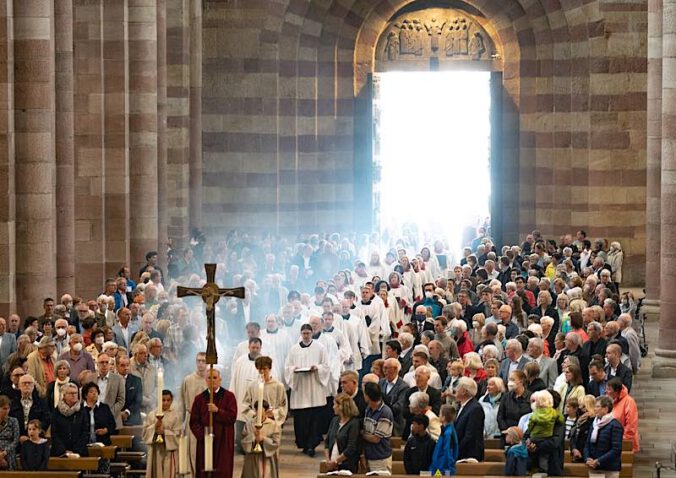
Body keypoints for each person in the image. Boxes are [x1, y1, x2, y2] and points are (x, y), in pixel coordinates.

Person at [284, 323, 330, 457]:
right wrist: (294, 369)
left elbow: (326, 366)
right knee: (301, 421)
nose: (305, 336)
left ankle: (312, 445)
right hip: (300, 388)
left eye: (308, 333)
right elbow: (287, 367)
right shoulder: (293, 349)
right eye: (303, 333)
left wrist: (318, 368)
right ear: (300, 334)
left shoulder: (320, 348)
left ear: (312, 333)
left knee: (314, 420)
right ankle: (304, 444)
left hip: (314, 387)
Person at [189, 368, 237, 478]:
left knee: (222, 471)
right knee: (204, 470)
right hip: (205, 442)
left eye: (215, 378)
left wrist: (218, 411)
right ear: (205, 380)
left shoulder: (229, 397)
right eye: (209, 378)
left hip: (223, 441)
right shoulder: (199, 399)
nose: (212, 380)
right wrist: (203, 436)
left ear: (220, 379)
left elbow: (232, 417)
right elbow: (194, 422)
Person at [242, 356, 288, 432]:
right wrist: (255, 414)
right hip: (255, 423)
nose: (262, 372)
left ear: (270, 368)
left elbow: (284, 406)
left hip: (272, 423)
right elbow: (245, 405)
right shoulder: (252, 386)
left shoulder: (278, 386)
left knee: (270, 443)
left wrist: (273, 413)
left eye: (265, 369)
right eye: (260, 369)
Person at [143, 390, 182, 478]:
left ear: (172, 401)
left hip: (169, 451)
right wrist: (154, 428)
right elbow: (145, 434)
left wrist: (164, 432)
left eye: (168, 400)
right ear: (159, 400)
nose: (165, 403)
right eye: (163, 400)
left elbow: (178, 434)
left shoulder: (176, 416)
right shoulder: (152, 415)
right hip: (155, 449)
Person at [180, 352, 208, 477]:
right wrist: (181, 423)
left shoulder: (210, 379)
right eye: (198, 361)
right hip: (191, 418)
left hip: (206, 420)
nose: (201, 363)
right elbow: (181, 401)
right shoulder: (188, 379)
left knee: (205, 452)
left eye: (203, 361)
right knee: (191, 451)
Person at [584, 395, 624, 478]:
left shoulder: (615, 425)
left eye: (597, 406)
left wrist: (598, 461)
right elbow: (587, 444)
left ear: (605, 409)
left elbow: (616, 449)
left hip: (609, 469)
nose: (594, 409)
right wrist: (587, 458)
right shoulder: (594, 423)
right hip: (594, 467)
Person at [240, 400, 281, 478]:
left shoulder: (273, 424)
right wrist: (253, 438)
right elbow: (243, 440)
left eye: (261, 410)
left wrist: (263, 439)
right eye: (257, 410)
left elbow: (276, 442)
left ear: (265, 410)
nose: (259, 413)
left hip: (267, 458)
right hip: (252, 458)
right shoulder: (249, 424)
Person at [323, 393, 361, 473]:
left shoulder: (354, 423)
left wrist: (336, 461)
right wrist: (328, 460)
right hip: (331, 464)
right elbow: (327, 442)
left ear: (341, 406)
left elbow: (351, 447)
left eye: (334, 404)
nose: (333, 407)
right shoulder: (334, 420)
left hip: (347, 464)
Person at [50, 383, 89, 457]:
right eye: (71, 393)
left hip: (79, 451)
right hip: (60, 452)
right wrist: (64, 450)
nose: (74, 395)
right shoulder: (56, 412)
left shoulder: (82, 411)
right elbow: (54, 433)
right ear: (64, 395)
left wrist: (75, 450)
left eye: (76, 393)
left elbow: (85, 432)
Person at [362, 382, 393, 473]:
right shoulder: (368, 409)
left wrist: (362, 434)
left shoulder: (385, 412)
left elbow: (376, 439)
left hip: (380, 458)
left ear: (368, 396)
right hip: (369, 455)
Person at [453, 376, 485, 460]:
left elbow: (470, 435)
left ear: (463, 391)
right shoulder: (462, 406)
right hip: (461, 453)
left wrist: (456, 450)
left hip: (469, 454)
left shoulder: (475, 408)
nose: (455, 390)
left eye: (457, 388)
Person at [606, 378, 639, 453]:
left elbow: (631, 425)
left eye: (609, 389)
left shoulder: (629, 401)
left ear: (616, 391)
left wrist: (622, 439)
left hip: (623, 442)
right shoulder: (609, 400)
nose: (606, 391)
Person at [429, 405, 459, 475]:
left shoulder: (448, 433)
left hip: (443, 469)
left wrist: (441, 470)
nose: (438, 415)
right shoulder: (445, 430)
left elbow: (447, 452)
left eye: (440, 414)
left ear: (443, 417)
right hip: (440, 466)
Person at [569, 394, 596, 463]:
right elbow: (573, 435)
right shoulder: (580, 418)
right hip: (577, 453)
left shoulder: (594, 420)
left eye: (583, 406)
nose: (581, 408)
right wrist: (574, 448)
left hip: (588, 455)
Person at [0, 394, 19, 470]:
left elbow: (16, 440)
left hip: (8, 452)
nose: (7, 411)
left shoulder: (14, 421)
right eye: (4, 408)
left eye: (8, 408)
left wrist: (4, 452)